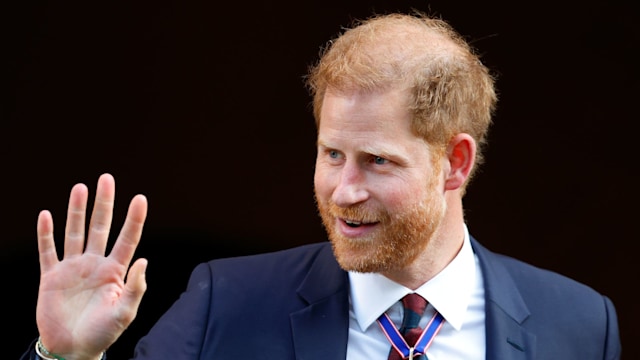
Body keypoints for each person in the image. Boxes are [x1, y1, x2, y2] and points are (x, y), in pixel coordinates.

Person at [21, 11, 621, 360]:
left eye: (377, 161)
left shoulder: (580, 326)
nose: (343, 190)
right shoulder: (223, 304)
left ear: (455, 163)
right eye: (331, 153)